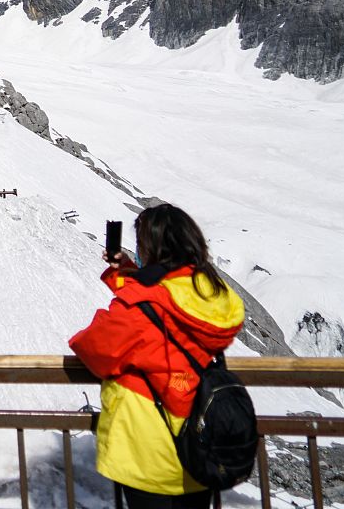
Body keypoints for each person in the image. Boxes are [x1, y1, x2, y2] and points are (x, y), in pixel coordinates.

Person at [68, 204, 245, 508]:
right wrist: (126, 275)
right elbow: (165, 303)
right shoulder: (212, 296)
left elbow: (96, 348)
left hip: (149, 447)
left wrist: (124, 297)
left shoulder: (139, 306)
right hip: (201, 442)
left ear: (152, 250)